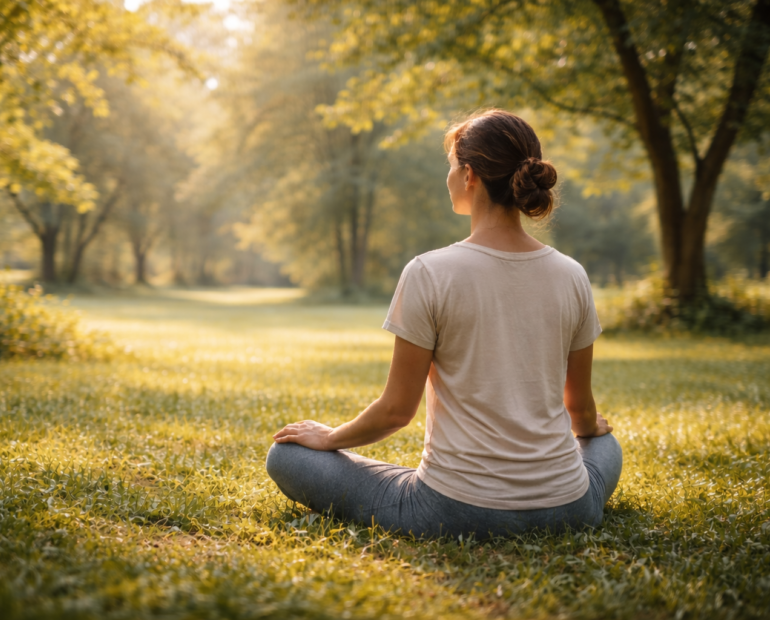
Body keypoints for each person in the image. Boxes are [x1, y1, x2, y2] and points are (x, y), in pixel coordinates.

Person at [265, 109, 622, 540]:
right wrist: (591, 432)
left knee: (285, 458)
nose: (448, 177)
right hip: (570, 507)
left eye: (451, 166)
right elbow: (581, 411)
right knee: (604, 445)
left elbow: (396, 412)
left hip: (453, 511)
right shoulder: (572, 274)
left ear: (469, 175)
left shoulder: (429, 272)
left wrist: (330, 438)